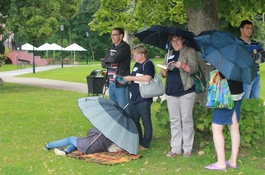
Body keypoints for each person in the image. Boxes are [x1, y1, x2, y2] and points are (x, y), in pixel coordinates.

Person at [161, 35, 198, 157]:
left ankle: (187, 148)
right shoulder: (168, 54)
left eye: (177, 40)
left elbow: (194, 69)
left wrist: (181, 65)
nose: (175, 43)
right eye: (172, 41)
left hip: (186, 89)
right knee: (174, 120)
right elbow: (163, 74)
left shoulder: (189, 51)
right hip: (171, 90)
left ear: (183, 40)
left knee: (186, 119)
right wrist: (165, 70)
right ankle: (175, 148)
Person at [205, 71, 244, 171]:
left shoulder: (225, 56)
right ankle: (233, 161)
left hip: (225, 94)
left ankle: (221, 163)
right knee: (234, 126)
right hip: (238, 91)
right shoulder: (240, 56)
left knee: (216, 128)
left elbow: (223, 74)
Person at [122, 44, 155, 151]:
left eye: (135, 55)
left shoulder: (148, 64)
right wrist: (126, 79)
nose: (134, 57)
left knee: (146, 121)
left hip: (143, 97)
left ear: (142, 54)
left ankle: (146, 144)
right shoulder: (136, 64)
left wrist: (131, 77)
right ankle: (138, 140)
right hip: (134, 96)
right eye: (133, 55)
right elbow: (134, 77)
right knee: (134, 120)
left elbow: (147, 78)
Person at [101, 27, 131, 114]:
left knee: (124, 108)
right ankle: (118, 127)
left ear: (121, 36)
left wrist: (109, 60)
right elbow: (103, 63)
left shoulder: (125, 47)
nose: (112, 37)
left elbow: (116, 59)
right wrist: (109, 60)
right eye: (112, 35)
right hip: (111, 82)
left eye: (115, 35)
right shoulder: (111, 47)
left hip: (120, 83)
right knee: (114, 108)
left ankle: (127, 127)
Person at [43, 127, 121, 156]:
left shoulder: (103, 127)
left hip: (89, 145)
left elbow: (89, 132)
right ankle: (66, 151)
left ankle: (48, 145)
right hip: (96, 148)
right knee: (78, 141)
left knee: (71, 139)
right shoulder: (116, 134)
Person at [238, 20, 265, 99]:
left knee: (255, 101)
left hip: (257, 75)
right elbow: (242, 57)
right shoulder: (238, 43)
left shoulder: (255, 43)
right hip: (245, 76)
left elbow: (264, 56)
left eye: (251, 28)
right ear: (241, 29)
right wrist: (256, 56)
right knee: (245, 101)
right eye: (247, 28)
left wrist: (256, 58)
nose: (249, 30)